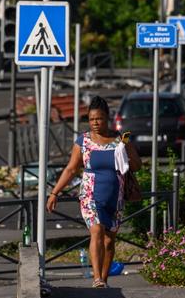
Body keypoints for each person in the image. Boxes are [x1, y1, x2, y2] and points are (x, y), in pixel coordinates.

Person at [46, 96, 142, 288]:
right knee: (96, 231)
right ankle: (97, 278)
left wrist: (127, 149)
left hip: (115, 198)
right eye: (91, 119)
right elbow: (71, 169)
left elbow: (137, 166)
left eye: (99, 118)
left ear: (107, 118)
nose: (95, 123)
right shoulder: (83, 141)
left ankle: (104, 280)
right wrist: (55, 192)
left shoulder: (120, 139)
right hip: (90, 195)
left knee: (108, 241)